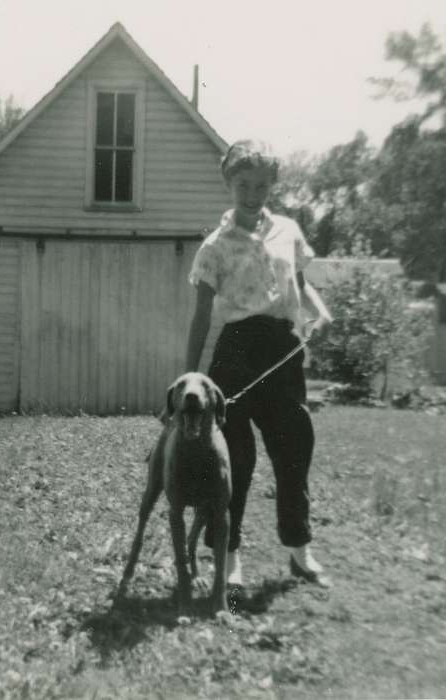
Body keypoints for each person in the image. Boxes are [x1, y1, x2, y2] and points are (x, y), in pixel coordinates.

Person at [185, 139, 332, 588]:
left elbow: (301, 285)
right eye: (243, 185)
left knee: (294, 451)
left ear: (272, 186)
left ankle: (299, 552)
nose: (252, 194)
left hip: (283, 351)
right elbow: (201, 315)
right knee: (235, 461)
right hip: (236, 353)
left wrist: (320, 312)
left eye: (262, 186)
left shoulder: (288, 230)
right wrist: (191, 373)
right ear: (229, 183)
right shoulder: (214, 246)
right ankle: (229, 563)